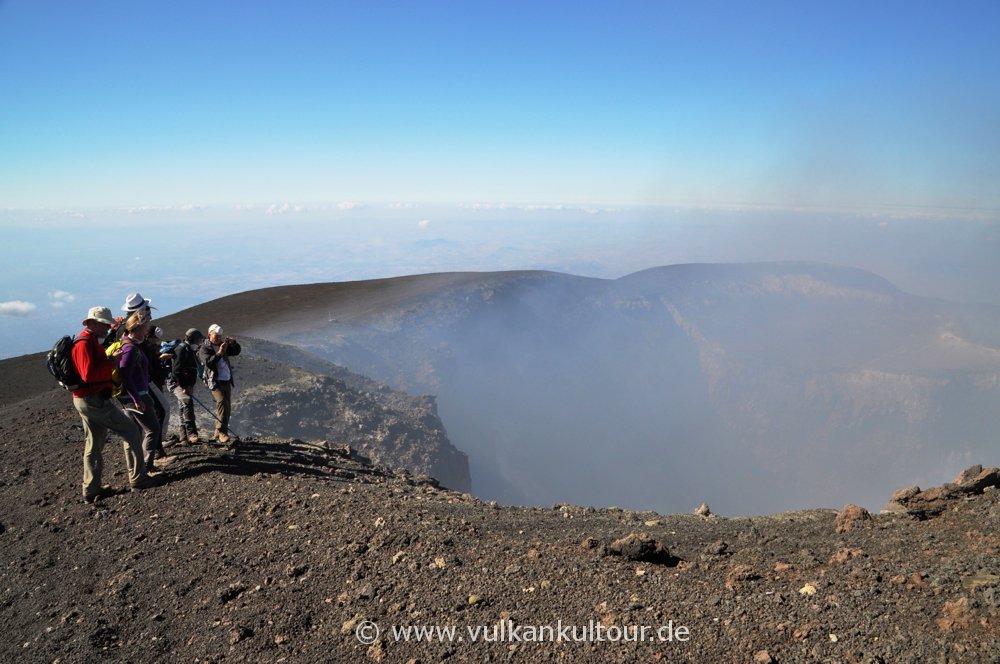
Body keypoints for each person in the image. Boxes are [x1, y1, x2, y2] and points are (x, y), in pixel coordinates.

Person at [70, 306, 155, 502]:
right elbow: (88, 374)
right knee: (131, 430)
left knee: (94, 443)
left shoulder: (90, 341)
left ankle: (91, 489)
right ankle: (138, 478)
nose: (107, 329)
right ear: (91, 323)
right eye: (104, 325)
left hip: (88, 398)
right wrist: (112, 363)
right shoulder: (84, 344)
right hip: (93, 399)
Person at [117, 311, 169, 471]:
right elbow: (125, 374)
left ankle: (138, 467)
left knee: (137, 431)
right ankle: (146, 466)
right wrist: (137, 399)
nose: (147, 332)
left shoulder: (130, 344)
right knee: (153, 429)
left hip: (133, 396)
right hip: (137, 396)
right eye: (145, 328)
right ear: (137, 329)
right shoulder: (131, 349)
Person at [199, 323, 241, 445]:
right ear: (209, 335)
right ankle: (221, 432)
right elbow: (209, 363)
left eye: (220, 336)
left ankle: (219, 432)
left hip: (226, 380)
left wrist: (234, 344)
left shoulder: (223, 345)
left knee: (227, 406)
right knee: (222, 401)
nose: (218, 339)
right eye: (216, 336)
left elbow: (236, 351)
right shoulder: (204, 348)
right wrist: (219, 353)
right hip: (214, 380)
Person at [169, 328, 204, 444]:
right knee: (187, 401)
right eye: (199, 339)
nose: (200, 342)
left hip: (186, 383)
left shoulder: (190, 349)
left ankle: (183, 436)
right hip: (177, 383)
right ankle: (192, 433)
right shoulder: (182, 349)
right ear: (193, 339)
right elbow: (176, 370)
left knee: (182, 407)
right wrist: (184, 386)